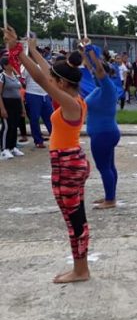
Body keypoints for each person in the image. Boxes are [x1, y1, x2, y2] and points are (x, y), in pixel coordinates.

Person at [7, 28, 91, 283]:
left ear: (64, 84)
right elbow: (47, 74)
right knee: (78, 217)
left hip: (67, 164)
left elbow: (44, 80)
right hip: (72, 161)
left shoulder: (70, 104)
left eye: (57, 81)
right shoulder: (75, 99)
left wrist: (19, 53)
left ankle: (81, 270)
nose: (52, 82)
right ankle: (81, 268)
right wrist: (31, 48)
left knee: (73, 220)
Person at [83, 45, 121, 210]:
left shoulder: (107, 87)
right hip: (105, 132)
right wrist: (84, 50)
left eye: (96, 73)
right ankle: (109, 195)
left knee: (104, 167)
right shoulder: (100, 88)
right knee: (109, 166)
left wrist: (93, 53)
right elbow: (92, 67)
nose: (93, 74)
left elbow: (98, 68)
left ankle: (110, 200)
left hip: (103, 134)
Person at [22, 58, 54, 149]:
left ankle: (55, 137)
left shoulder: (44, 65)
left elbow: (50, 77)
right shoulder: (26, 66)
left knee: (51, 118)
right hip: (33, 94)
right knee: (34, 118)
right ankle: (38, 140)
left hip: (45, 94)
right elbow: (23, 80)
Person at [0, 56, 26, 160]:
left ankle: (12, 147)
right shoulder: (2, 76)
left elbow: (19, 93)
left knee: (15, 126)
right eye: (11, 63)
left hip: (16, 103)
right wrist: (2, 109)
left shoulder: (15, 76)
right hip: (7, 103)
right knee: (7, 126)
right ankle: (4, 149)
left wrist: (22, 108)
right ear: (5, 65)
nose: (14, 64)